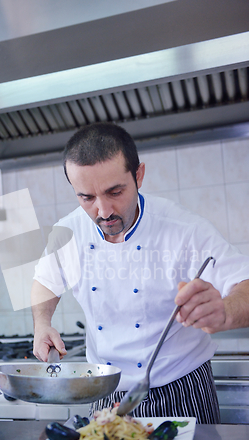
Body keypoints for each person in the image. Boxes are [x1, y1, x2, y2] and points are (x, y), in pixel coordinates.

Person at [32, 122, 249, 423]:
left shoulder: (183, 230)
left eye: (115, 191)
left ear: (139, 176)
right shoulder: (68, 231)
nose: (104, 211)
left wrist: (224, 312)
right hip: (106, 391)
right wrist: (42, 323)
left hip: (181, 389)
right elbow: (45, 280)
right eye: (87, 198)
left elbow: (245, 283)